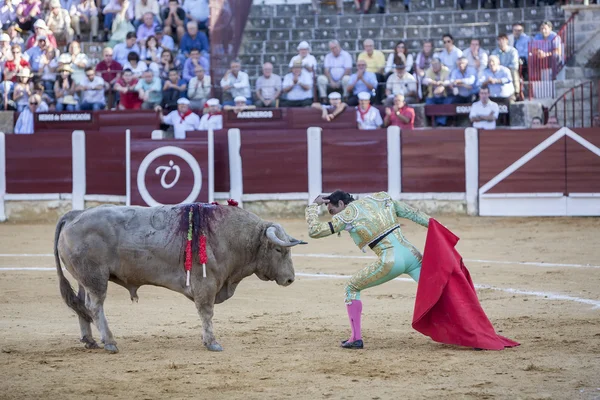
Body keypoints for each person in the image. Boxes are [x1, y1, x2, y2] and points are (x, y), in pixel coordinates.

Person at [305, 190, 431, 349]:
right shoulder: (381, 198)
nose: (333, 216)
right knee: (436, 291)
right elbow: (414, 214)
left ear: (342, 204)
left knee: (352, 287)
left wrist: (313, 206)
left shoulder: (346, 215)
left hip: (391, 260)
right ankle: (471, 328)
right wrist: (441, 229)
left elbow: (314, 231)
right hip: (414, 255)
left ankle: (355, 338)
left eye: (332, 211)